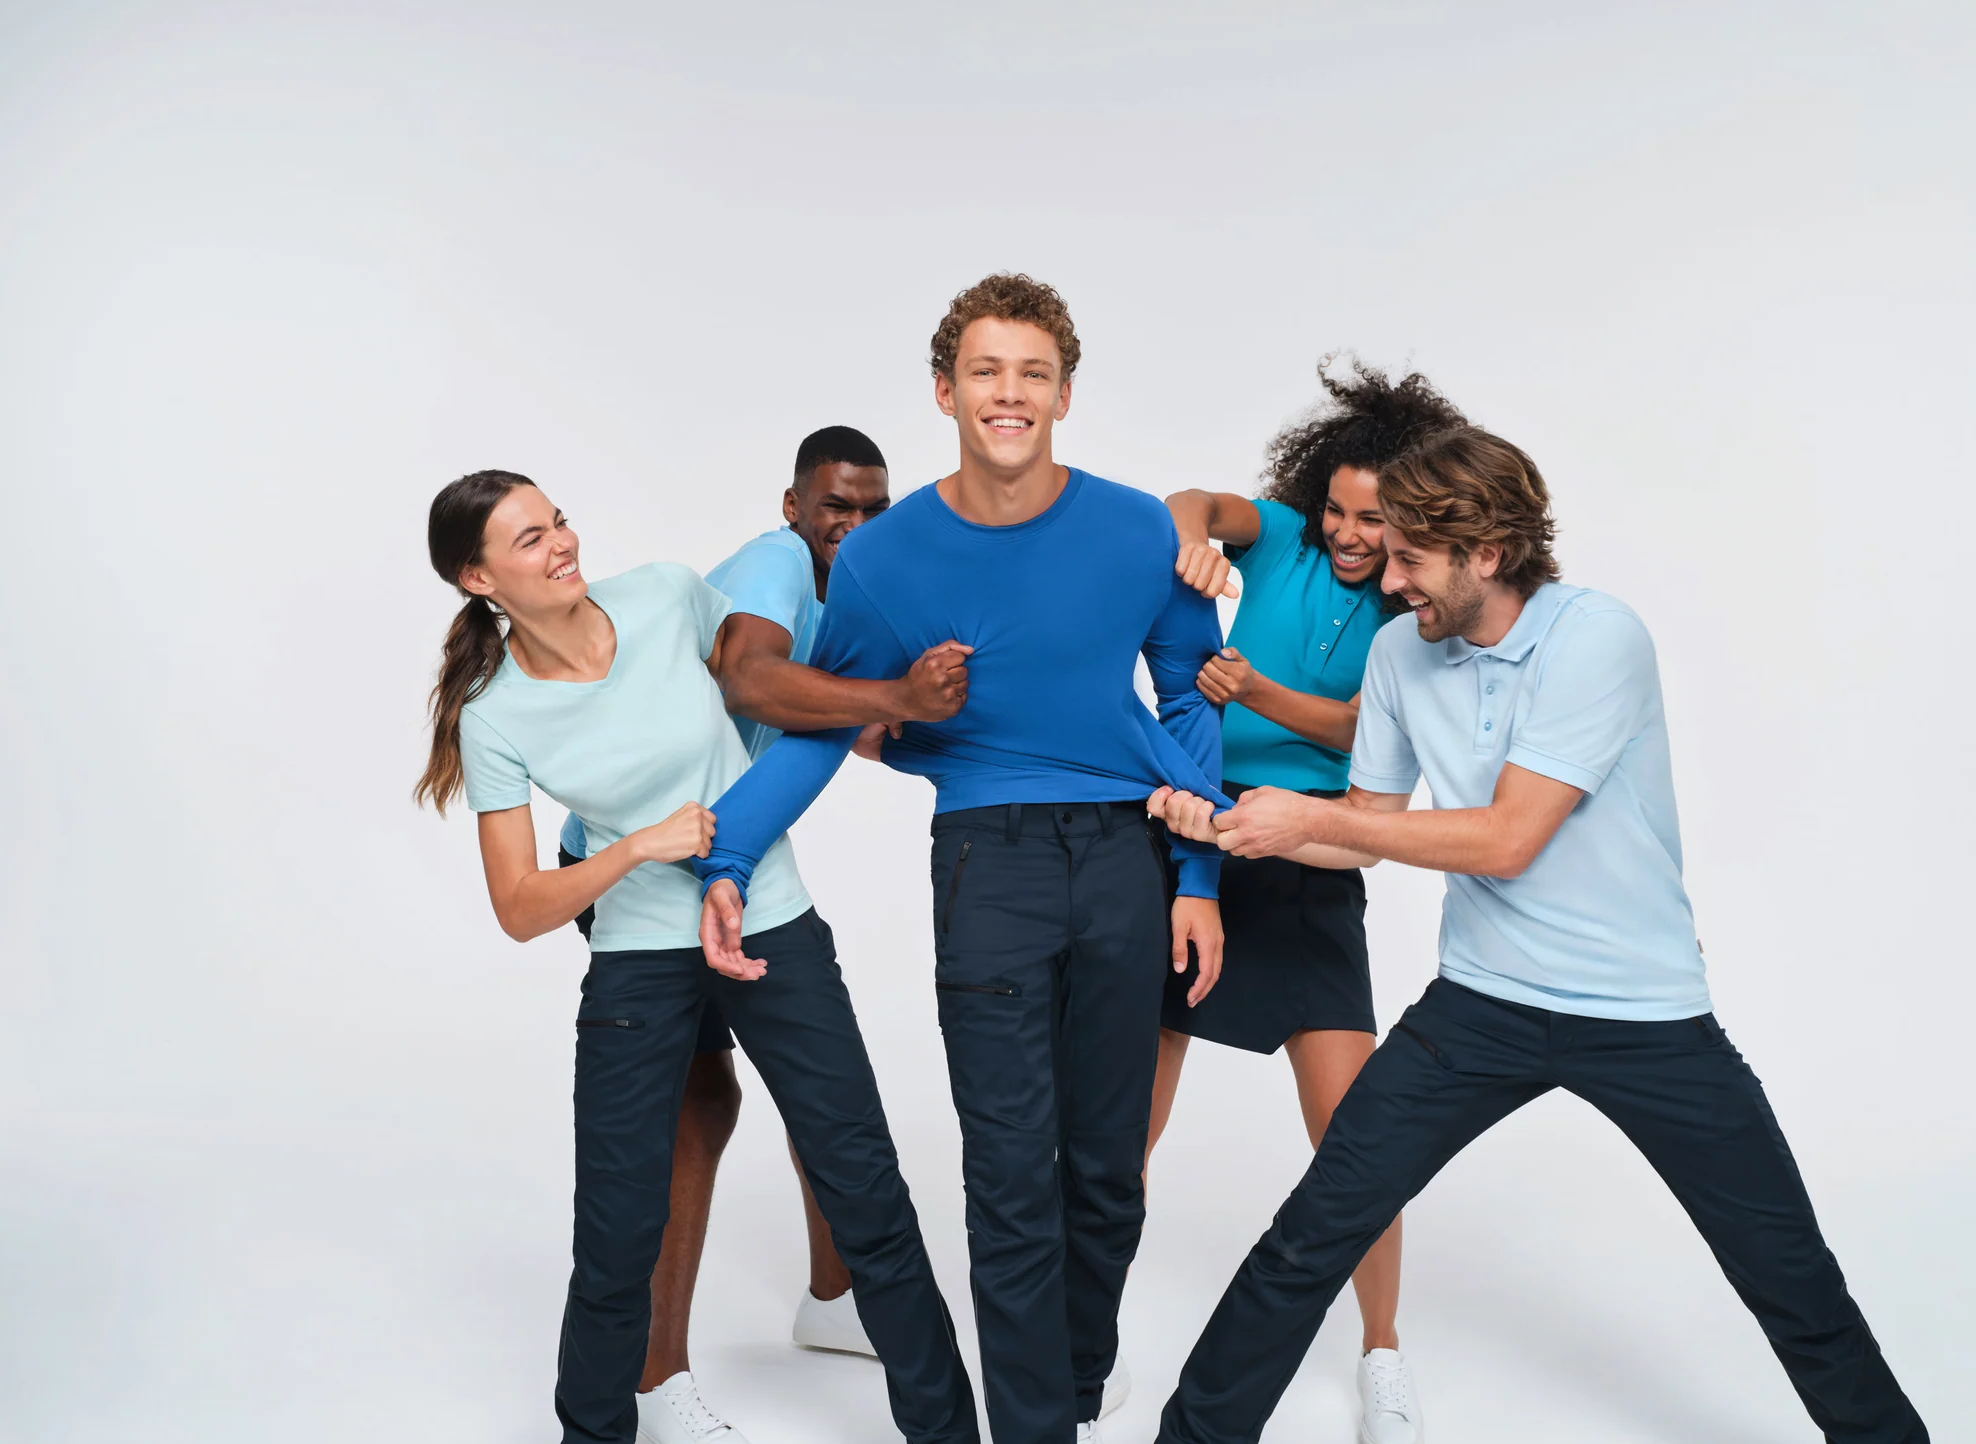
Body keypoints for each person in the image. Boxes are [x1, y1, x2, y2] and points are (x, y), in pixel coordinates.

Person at [1147, 428, 1931, 1444]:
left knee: (1788, 1277)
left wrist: (1311, 820)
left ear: (1486, 552)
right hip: (1479, 1006)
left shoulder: (1595, 637)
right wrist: (1230, 828)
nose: (1388, 579)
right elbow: (1364, 833)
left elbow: (1508, 838)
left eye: (1409, 558)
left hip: (1641, 1012)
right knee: (1310, 1234)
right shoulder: (1400, 651)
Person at [690, 273, 1231, 1444]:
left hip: (1127, 857)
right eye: (986, 370)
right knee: (1009, 1172)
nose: (1009, 393)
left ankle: (1071, 1386)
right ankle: (1034, 1428)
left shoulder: (1138, 529)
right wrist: (723, 856)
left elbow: (1190, 697)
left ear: (1064, 395)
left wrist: (1198, 878)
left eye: (1033, 372)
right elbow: (826, 723)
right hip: (990, 866)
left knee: (1104, 1171)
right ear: (945, 391)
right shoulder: (885, 558)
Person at [414, 470, 979, 1444]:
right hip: (637, 952)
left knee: (865, 1190)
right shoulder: (495, 714)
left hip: (769, 917)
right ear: (478, 578)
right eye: (529, 539)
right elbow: (518, 907)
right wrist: (636, 847)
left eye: (558, 521)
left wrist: (895, 713)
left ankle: (945, 1431)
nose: (562, 544)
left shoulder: (665, 594)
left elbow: (776, 690)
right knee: (615, 1232)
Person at [553, 426, 969, 1384]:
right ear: (794, 507)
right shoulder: (775, 564)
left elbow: (839, 715)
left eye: (873, 509)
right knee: (703, 1104)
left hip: (727, 865)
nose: (854, 524)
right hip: (646, 870)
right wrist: (893, 694)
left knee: (816, 1092)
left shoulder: (854, 587)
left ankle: (835, 1299)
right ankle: (655, 1377)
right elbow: (747, 676)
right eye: (836, 506)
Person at [1148, 359, 1466, 1444]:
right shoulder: (1280, 533)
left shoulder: (1414, 610)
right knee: (1124, 1118)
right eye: (1336, 509)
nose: (1347, 533)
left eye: (1372, 519)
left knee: (1354, 1136)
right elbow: (1194, 503)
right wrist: (1190, 538)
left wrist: (1257, 690)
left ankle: (1381, 1351)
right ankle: (1078, 1331)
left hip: (1313, 852)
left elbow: (1367, 730)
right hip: (1197, 835)